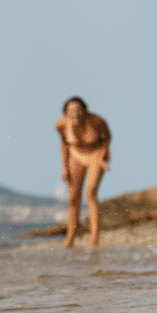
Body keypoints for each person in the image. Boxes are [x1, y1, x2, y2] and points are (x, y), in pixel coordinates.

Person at [55, 96, 111, 248]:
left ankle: (94, 240)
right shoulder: (61, 125)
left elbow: (107, 137)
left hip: (95, 154)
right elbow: (64, 144)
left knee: (91, 193)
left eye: (79, 109)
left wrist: (104, 155)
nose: (75, 113)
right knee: (73, 198)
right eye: (71, 110)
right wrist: (64, 167)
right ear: (66, 113)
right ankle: (69, 240)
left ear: (85, 111)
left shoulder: (97, 121)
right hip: (76, 155)